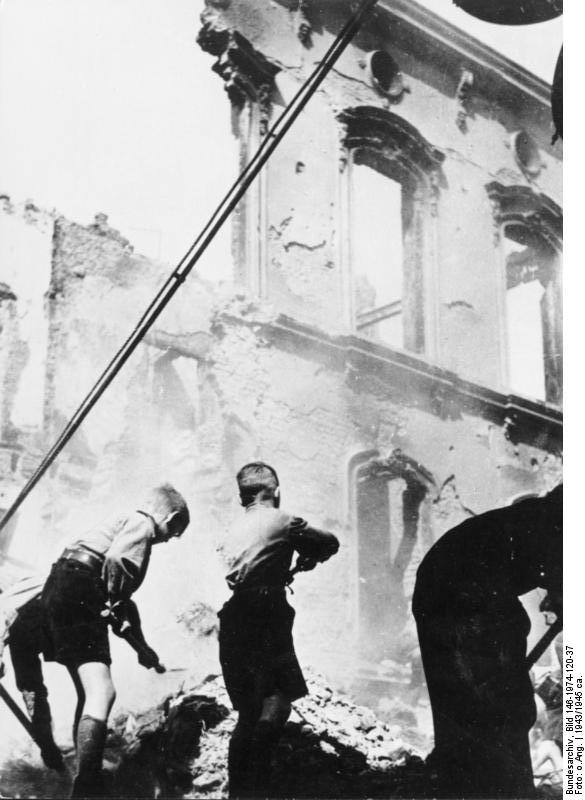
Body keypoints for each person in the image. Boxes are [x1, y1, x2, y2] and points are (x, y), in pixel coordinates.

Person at [412, 485, 562, 799]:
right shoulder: (557, 521)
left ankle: (463, 779)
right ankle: (501, 787)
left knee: (467, 701)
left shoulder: (538, 516)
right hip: (465, 595)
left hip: (440, 588)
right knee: (504, 704)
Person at [41, 483, 190, 797]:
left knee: (89, 691)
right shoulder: (143, 524)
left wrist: (142, 649)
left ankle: (84, 778)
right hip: (80, 584)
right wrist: (113, 602)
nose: (171, 539)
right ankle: (88, 787)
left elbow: (123, 604)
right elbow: (119, 563)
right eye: (175, 531)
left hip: (61, 584)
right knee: (103, 690)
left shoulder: (116, 525)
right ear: (171, 516)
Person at [218, 462, 339, 799]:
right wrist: (309, 557)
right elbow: (330, 543)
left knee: (247, 713)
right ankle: (259, 787)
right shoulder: (284, 520)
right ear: (277, 491)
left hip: (233, 616)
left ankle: (240, 792)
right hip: (266, 612)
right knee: (278, 701)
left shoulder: (230, 530)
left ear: (242, 497)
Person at [0, 563, 64, 770]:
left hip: (35, 606)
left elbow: (5, 608)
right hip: (25, 615)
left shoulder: (11, 573)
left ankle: (53, 749)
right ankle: (48, 747)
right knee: (31, 686)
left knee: (32, 685)